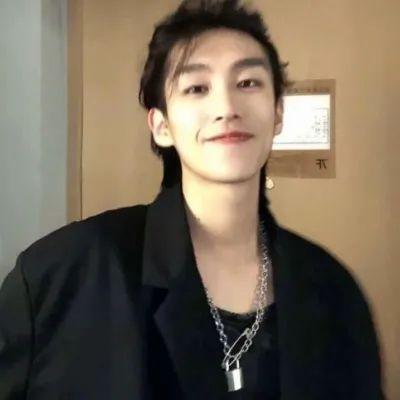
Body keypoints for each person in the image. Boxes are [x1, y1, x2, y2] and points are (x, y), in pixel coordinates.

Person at [0, 0, 385, 399]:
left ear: (277, 112)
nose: (226, 108)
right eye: (197, 88)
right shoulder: (59, 277)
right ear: (161, 125)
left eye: (248, 83)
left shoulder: (333, 291)